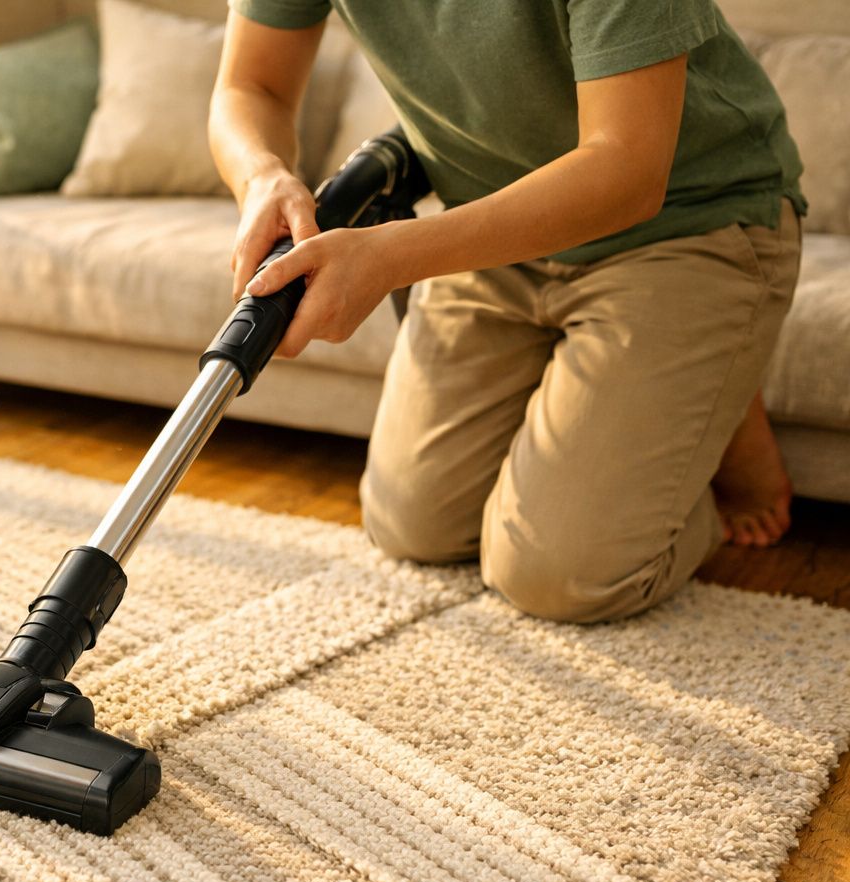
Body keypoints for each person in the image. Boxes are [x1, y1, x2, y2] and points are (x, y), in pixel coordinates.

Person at [209, 0, 805, 622]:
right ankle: (674, 392)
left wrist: (389, 257)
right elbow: (251, 85)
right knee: (415, 526)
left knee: (559, 578)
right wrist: (261, 176)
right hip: (495, 230)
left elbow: (628, 169)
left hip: (686, 224)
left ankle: (711, 396)